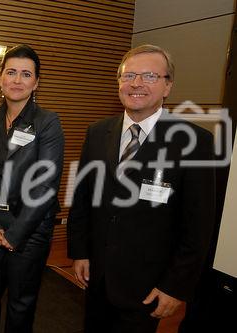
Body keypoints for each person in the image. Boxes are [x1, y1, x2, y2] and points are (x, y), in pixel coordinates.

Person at [67, 44, 216, 333]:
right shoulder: (98, 132)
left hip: (147, 286)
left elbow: (198, 226)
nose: (136, 84)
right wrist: (80, 252)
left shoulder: (194, 141)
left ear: (168, 86)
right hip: (97, 278)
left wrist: (175, 286)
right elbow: (82, 198)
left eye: (149, 76)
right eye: (129, 75)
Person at [0, 44, 65, 333]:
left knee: (20, 304)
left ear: (36, 82)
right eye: (11, 72)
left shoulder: (47, 121)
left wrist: (15, 234)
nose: (17, 80)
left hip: (30, 229)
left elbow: (47, 185)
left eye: (26, 74)